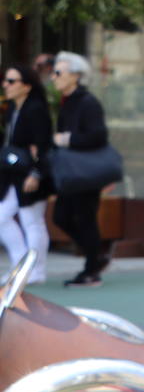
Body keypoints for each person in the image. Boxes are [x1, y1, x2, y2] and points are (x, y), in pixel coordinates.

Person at [52, 52, 112, 288]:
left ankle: (92, 270)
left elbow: (98, 136)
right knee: (61, 217)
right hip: (71, 172)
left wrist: (67, 139)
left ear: (75, 76)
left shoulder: (87, 102)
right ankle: (96, 255)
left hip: (85, 173)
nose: (54, 77)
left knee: (85, 219)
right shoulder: (68, 102)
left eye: (59, 72)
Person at [0, 63, 53, 284]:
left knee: (32, 221)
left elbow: (44, 145)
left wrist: (37, 173)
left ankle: (35, 271)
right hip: (14, 174)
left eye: (12, 81)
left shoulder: (36, 110)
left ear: (27, 86)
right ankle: (21, 265)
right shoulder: (13, 109)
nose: (6, 85)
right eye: (6, 80)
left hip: (32, 174)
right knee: (2, 218)